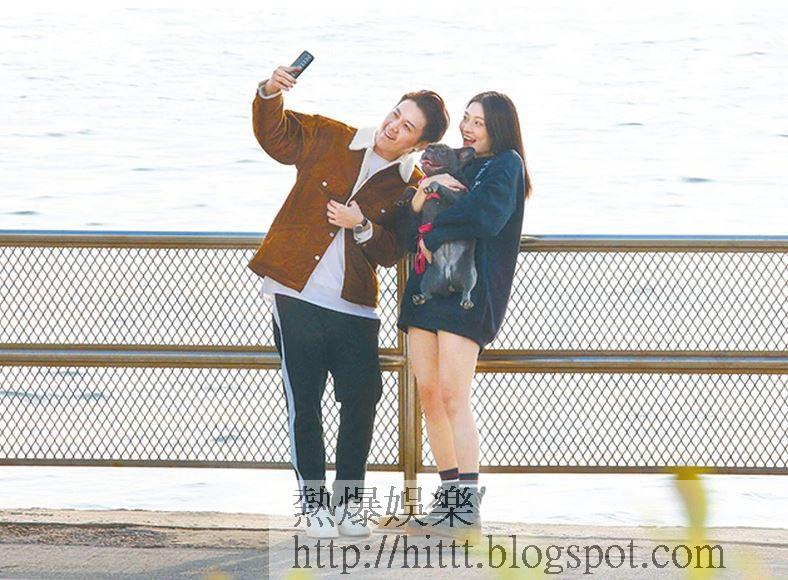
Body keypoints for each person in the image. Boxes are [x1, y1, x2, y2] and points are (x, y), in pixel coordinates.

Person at [247, 63, 450, 539]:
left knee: (362, 398)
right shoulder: (331, 137)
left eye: (407, 127)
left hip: (355, 303)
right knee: (305, 401)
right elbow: (276, 137)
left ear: (418, 143)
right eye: (395, 114)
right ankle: (313, 505)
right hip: (294, 290)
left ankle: (349, 504)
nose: (393, 126)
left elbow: (392, 251)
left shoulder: (410, 186)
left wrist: (362, 225)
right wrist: (269, 92)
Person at [396, 91, 532, 540]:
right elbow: (407, 230)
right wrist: (426, 192)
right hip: (425, 292)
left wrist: (434, 228)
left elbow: (486, 217)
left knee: (454, 394)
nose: (467, 128)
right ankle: (448, 499)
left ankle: (466, 509)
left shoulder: (506, 164)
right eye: (466, 119)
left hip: (470, 293)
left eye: (478, 122)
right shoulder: (451, 163)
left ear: (499, 127)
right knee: (430, 395)